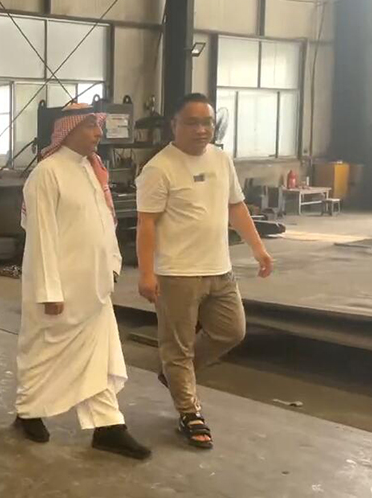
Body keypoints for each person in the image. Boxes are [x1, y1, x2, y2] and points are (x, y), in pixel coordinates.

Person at [136, 92, 273, 450]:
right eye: (192, 123)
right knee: (177, 347)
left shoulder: (221, 160)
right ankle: (189, 412)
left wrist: (258, 248)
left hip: (219, 269)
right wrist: (147, 273)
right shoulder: (159, 168)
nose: (201, 130)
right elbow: (146, 224)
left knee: (231, 331)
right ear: (174, 125)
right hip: (177, 274)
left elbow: (236, 206)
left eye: (207, 122)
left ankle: (174, 374)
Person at [14, 105, 151, 460]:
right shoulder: (46, 174)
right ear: (68, 129)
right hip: (60, 289)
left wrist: (114, 264)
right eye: (91, 126)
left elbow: (104, 222)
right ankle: (28, 411)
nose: (98, 133)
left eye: (98, 126)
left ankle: (109, 427)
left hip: (95, 287)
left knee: (99, 357)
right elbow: (41, 237)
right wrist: (49, 291)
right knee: (42, 353)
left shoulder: (91, 169)